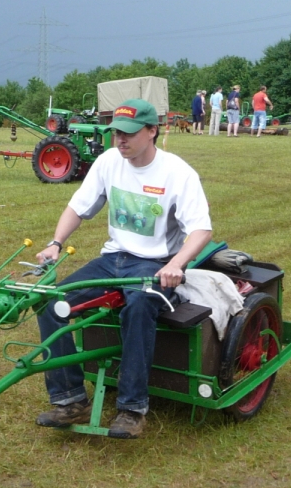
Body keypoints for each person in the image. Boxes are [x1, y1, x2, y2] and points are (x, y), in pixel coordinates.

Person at [33, 98, 213, 440]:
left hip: (155, 264)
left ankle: (132, 408)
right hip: (113, 259)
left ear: (152, 131)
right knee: (50, 301)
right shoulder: (107, 162)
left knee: (139, 307)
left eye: (129, 133)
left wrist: (176, 264)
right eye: (116, 132)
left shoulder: (178, 173)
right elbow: (78, 207)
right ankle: (70, 399)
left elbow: (201, 229)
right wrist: (55, 243)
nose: (121, 140)